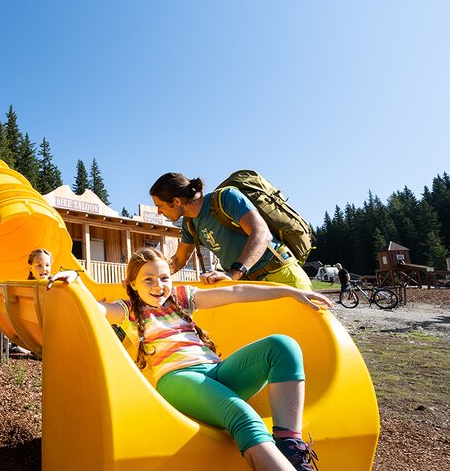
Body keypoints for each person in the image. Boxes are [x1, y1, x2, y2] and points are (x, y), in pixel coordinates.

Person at [119, 247, 327, 470]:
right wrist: (75, 281)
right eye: (148, 280)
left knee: (282, 346)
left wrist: (289, 291)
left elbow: (236, 292)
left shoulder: (181, 298)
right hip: (178, 378)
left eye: (164, 278)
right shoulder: (129, 311)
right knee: (244, 417)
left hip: (216, 373)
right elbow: (97, 309)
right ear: (133, 284)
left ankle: (290, 448)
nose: (158, 286)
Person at [150, 173, 311, 291]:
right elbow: (178, 260)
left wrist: (233, 274)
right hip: (249, 286)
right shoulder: (189, 223)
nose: (158, 212)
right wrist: (146, 276)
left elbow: (262, 234)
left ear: (176, 201)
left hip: (280, 275)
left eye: (159, 205)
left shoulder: (226, 198)